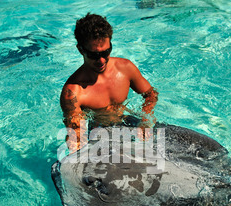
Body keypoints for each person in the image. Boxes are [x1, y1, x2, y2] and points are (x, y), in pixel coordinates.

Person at [60, 13, 158, 153]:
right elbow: (76, 139)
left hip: (129, 122)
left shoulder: (125, 68)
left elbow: (151, 95)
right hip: (100, 134)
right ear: (80, 49)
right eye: (94, 55)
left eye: (106, 52)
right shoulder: (73, 92)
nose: (101, 60)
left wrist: (146, 120)